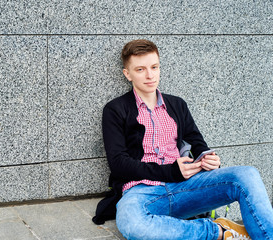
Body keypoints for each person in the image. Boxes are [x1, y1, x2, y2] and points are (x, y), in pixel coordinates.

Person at [92, 39, 273, 240]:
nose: (150, 75)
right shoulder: (116, 109)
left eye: (154, 67)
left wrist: (209, 158)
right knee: (132, 225)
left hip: (186, 186)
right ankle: (219, 232)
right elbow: (118, 164)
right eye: (141, 69)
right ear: (128, 74)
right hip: (142, 192)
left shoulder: (177, 104)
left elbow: (197, 143)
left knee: (247, 175)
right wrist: (171, 171)